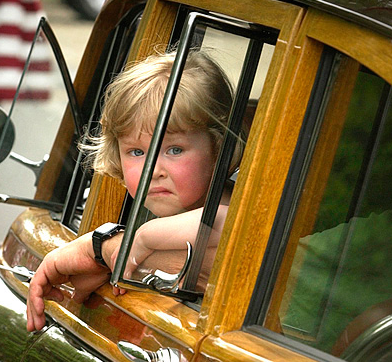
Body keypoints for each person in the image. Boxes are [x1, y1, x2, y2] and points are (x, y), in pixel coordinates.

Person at [26, 49, 243, 332]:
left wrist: (140, 239)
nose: (154, 170)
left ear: (219, 148)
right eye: (137, 151)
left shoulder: (232, 203)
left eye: (174, 150)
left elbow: (229, 224)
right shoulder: (165, 205)